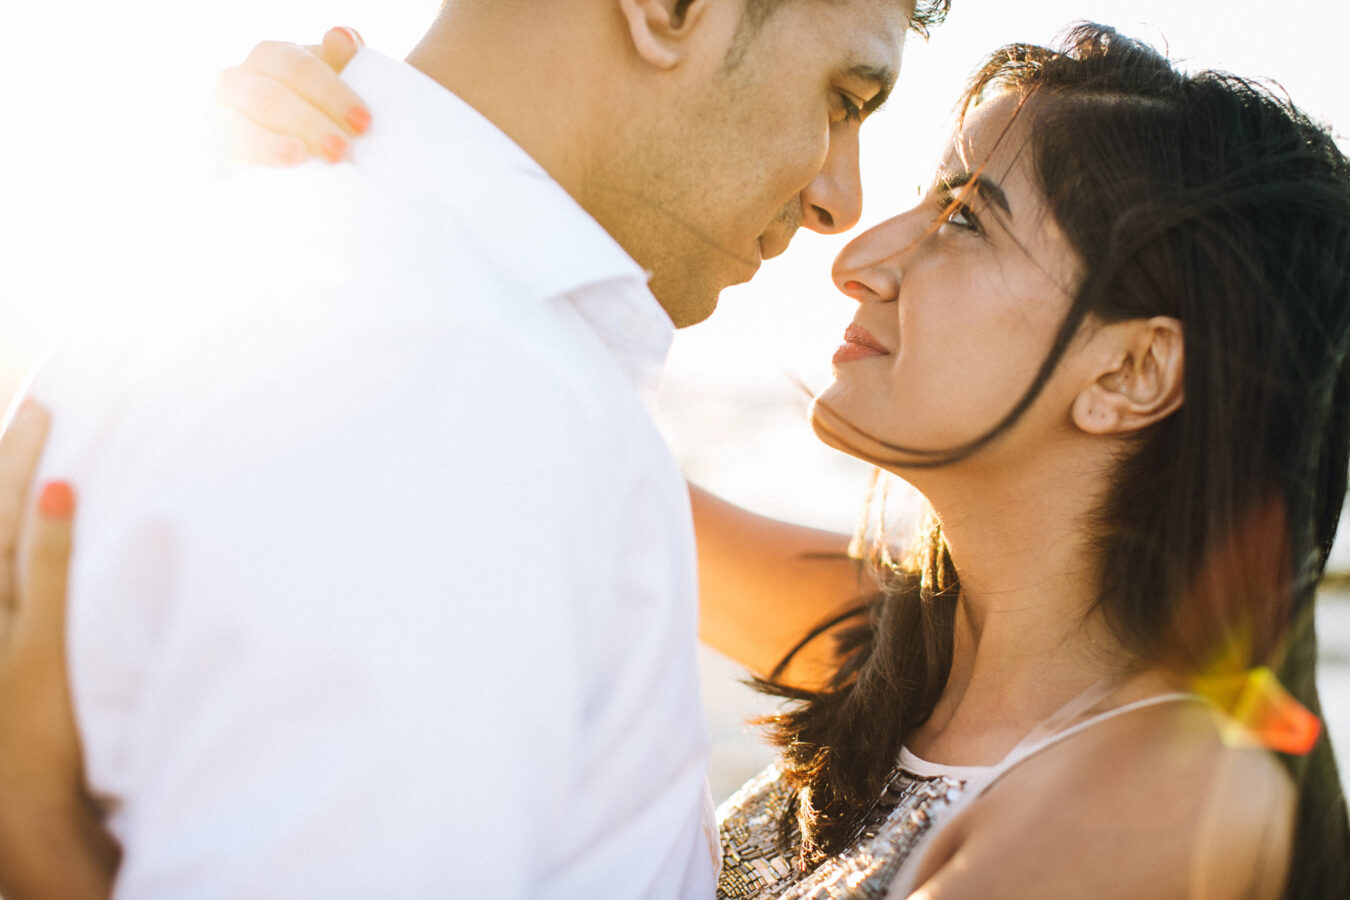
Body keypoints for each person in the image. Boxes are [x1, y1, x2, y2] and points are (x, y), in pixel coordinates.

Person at [3, 16, 1349, 900]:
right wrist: (334, 189)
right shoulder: (902, 649)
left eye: (962, 218)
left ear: (1130, 372)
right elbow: (525, 451)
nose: (859, 245)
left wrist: (51, 861)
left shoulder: (1163, 798)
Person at [0, 1, 943, 897]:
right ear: (669, 10)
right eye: (843, 99)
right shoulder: (461, 383)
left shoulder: (267, 264)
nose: (840, 203)